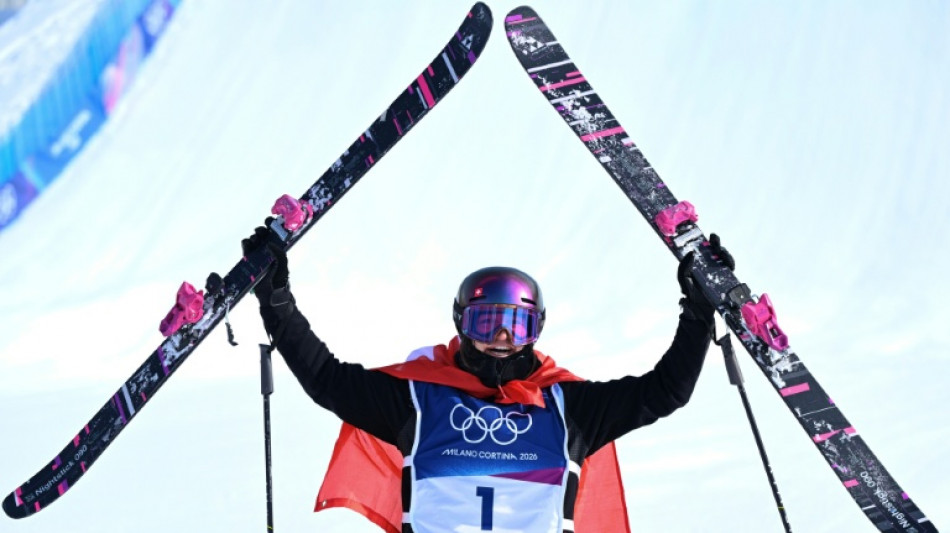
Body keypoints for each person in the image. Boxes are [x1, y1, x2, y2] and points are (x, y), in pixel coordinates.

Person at [242, 228, 733, 533]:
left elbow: (665, 391)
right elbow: (327, 380)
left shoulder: (568, 408)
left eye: (517, 325)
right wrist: (278, 302)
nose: (501, 338)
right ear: (460, 323)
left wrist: (697, 313)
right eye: (485, 322)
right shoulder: (419, 399)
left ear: (537, 329)